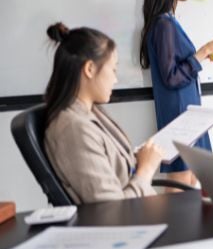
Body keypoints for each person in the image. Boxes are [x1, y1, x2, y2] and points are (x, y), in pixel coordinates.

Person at [44, 23, 164, 204]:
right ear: (90, 69)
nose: (115, 80)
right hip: (132, 223)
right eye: (113, 70)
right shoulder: (73, 129)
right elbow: (112, 210)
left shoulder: (88, 113)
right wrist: (146, 170)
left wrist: (139, 159)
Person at [140, 0, 213, 188]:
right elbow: (171, 77)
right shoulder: (164, 24)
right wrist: (204, 51)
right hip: (179, 114)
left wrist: (202, 56)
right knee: (181, 183)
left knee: (191, 181)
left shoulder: (168, 21)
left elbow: (178, 67)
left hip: (187, 111)